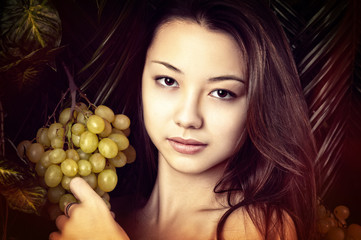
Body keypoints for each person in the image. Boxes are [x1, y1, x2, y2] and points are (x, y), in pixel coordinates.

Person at [49, 0, 318, 239]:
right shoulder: (100, 217)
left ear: (260, 103)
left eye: (222, 93)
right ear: (140, 79)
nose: (188, 118)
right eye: (168, 81)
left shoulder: (258, 228)